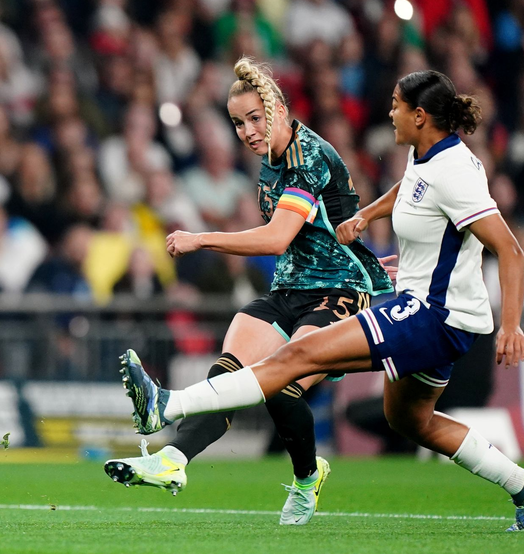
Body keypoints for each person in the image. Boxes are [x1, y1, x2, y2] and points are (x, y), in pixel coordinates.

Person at [119, 70, 524, 532]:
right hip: (417, 308)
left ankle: (166, 404)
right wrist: (367, 216)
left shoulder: (451, 170)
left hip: (430, 314)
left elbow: (510, 249)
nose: (387, 111)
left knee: (294, 358)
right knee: (410, 420)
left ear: (419, 114)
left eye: (394, 104)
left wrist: (511, 325)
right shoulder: (427, 155)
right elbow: (412, 189)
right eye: (238, 122)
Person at [104, 57, 394, 525]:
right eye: (237, 123)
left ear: (277, 109)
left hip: (336, 294)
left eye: (254, 118)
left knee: (281, 387)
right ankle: (172, 461)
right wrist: (368, 258)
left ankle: (306, 479)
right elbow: (321, 230)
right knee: (229, 377)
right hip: (289, 287)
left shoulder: (306, 157)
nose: (247, 131)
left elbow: (277, 237)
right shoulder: (270, 164)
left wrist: (201, 237)